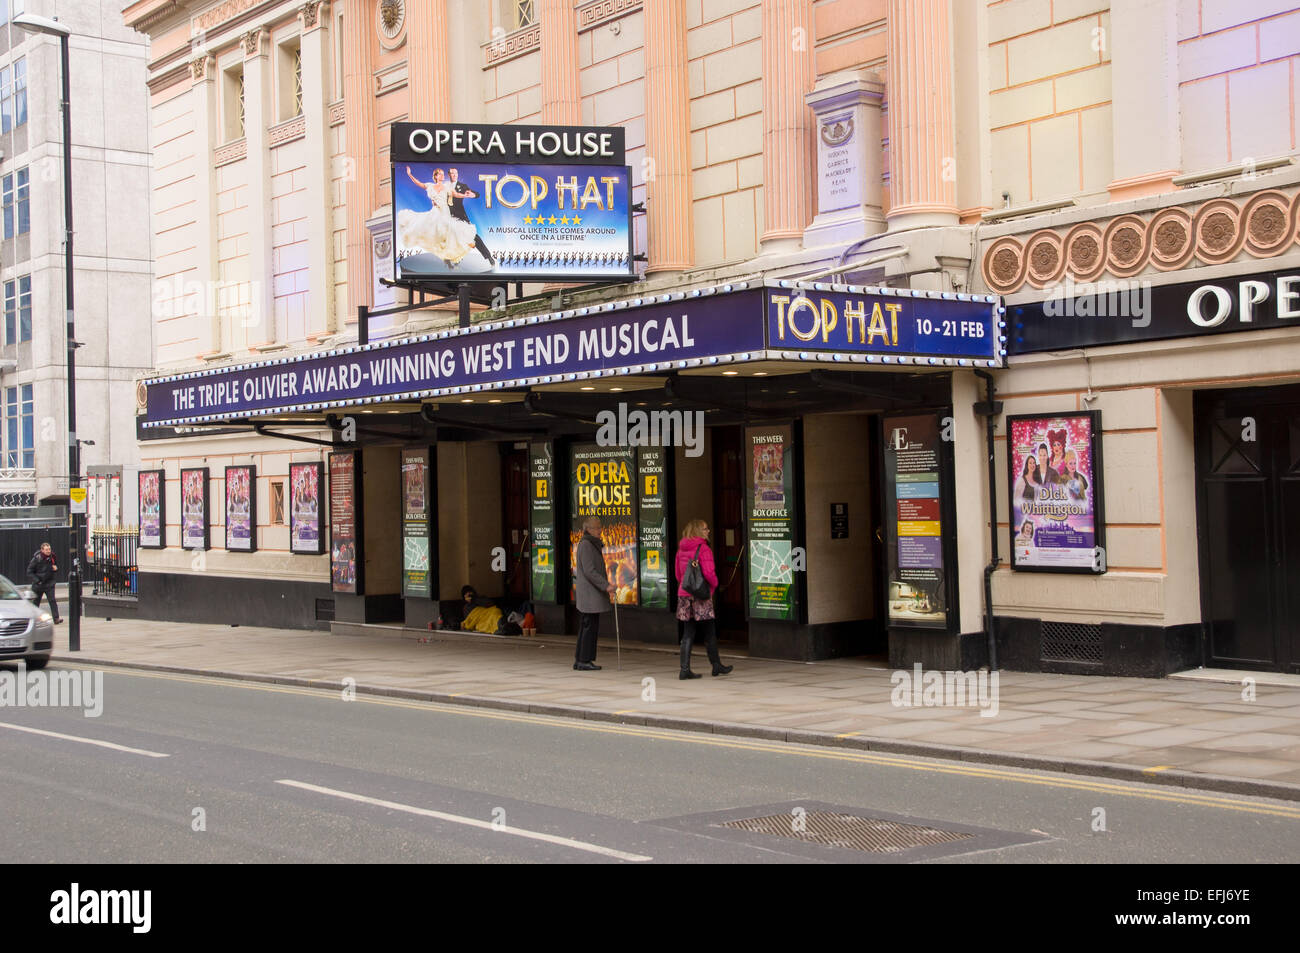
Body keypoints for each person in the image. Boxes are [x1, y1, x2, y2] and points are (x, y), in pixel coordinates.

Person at [674, 519, 732, 679]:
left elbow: (678, 575)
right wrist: (715, 586)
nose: (708, 531)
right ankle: (716, 665)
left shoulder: (681, 549)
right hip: (701, 595)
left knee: (688, 632)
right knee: (709, 631)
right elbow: (709, 574)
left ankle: (684, 669)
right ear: (698, 531)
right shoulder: (704, 549)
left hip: (685, 594)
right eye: (705, 529)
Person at [398, 166, 483, 267]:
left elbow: (456, 194)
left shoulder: (447, 186)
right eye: (441, 174)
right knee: (434, 233)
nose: (443, 176)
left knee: (451, 231)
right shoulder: (429, 185)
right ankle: (446, 258)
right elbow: (418, 183)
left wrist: (465, 195)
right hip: (435, 213)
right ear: (436, 176)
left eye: (443, 174)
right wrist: (410, 174)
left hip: (444, 212)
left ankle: (462, 246)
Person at [573, 515, 614, 671]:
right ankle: (584, 660)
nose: (600, 530)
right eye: (597, 528)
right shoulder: (586, 545)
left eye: (600, 527)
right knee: (589, 627)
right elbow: (590, 571)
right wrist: (606, 586)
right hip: (590, 595)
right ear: (588, 529)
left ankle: (581, 659)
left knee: (587, 626)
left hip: (590, 595)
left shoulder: (589, 544)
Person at [447, 168, 496, 265]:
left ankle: (488, 256)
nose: (454, 175)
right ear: (449, 175)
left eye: (456, 173)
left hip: (459, 214)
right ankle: (453, 258)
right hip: (446, 215)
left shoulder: (462, 186)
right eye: (452, 173)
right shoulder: (444, 186)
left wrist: (473, 195)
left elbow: (476, 194)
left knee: (473, 235)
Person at [27, 542, 61, 623]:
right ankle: (33, 619)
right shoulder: (37, 558)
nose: (48, 551)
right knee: (36, 602)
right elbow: (29, 571)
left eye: (49, 549)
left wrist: (56, 569)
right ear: (42, 550)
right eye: (46, 550)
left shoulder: (53, 557)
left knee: (52, 601)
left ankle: (56, 619)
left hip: (49, 583)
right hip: (39, 585)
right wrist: (37, 581)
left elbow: (54, 567)